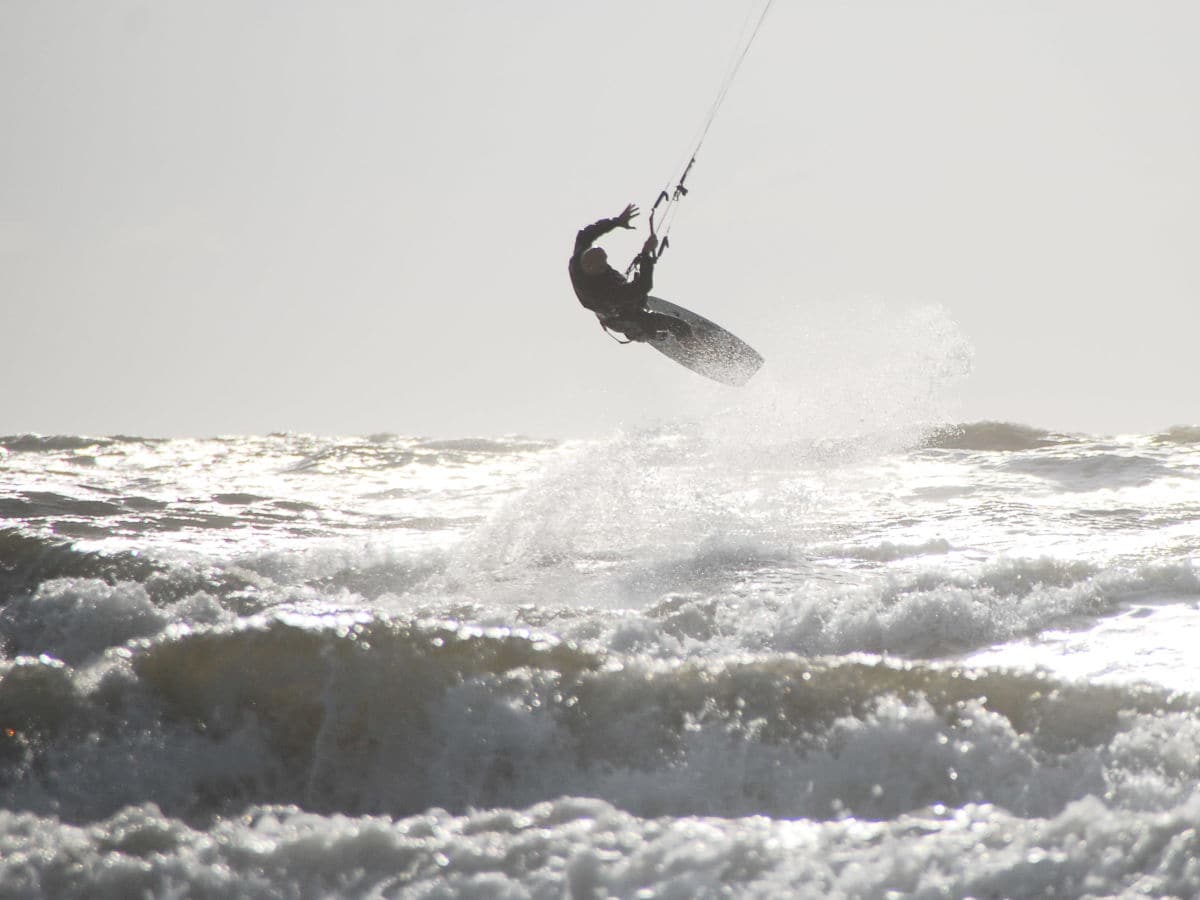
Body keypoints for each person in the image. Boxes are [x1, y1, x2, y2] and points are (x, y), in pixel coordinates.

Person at [568, 204, 693, 343]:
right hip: (621, 319)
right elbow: (643, 286)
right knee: (681, 328)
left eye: (605, 262)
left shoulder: (578, 260)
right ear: (594, 270)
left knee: (634, 294)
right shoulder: (603, 294)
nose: (606, 266)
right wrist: (646, 254)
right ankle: (698, 352)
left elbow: (585, 233)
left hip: (618, 302)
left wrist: (617, 221)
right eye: (603, 266)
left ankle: (646, 320)